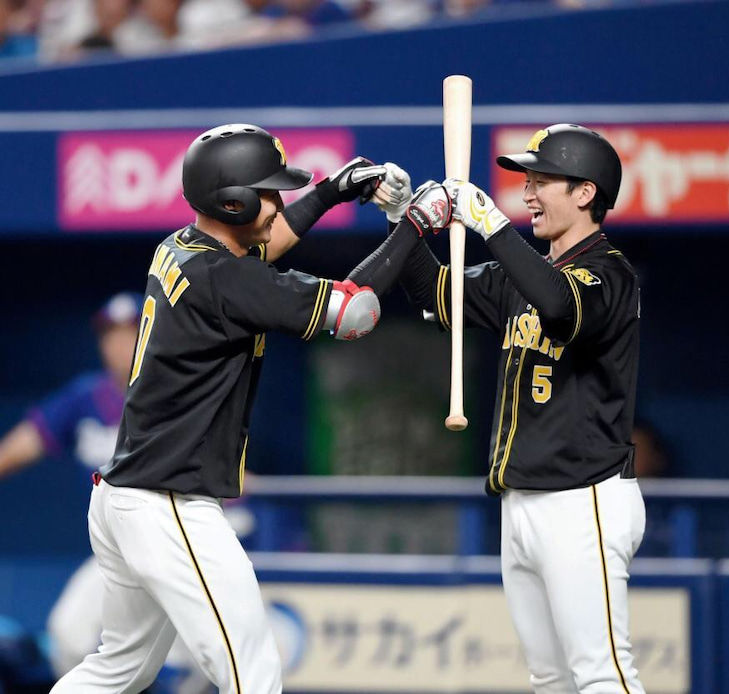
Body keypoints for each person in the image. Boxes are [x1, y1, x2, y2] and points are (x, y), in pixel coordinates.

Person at [49, 122, 449, 694]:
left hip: (125, 498)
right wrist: (413, 226)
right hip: (169, 503)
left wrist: (332, 191)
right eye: (267, 193)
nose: (277, 203)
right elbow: (354, 311)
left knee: (118, 669)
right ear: (231, 201)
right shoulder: (227, 279)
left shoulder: (182, 246)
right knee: (252, 671)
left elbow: (265, 245)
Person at [395, 124, 646, 693]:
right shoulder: (520, 276)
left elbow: (559, 306)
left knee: (601, 675)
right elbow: (433, 291)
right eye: (526, 181)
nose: (527, 192)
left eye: (541, 181)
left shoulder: (610, 273)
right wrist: (402, 220)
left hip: (583, 497)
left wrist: (491, 224)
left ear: (585, 192)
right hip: (522, 499)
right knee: (549, 679)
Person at [0, 291, 141, 677]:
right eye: (110, 335)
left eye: (130, 333)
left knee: (196, 655)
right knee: (69, 637)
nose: (119, 345)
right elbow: (19, 447)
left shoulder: (178, 392)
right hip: (117, 552)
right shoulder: (85, 398)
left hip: (180, 541)